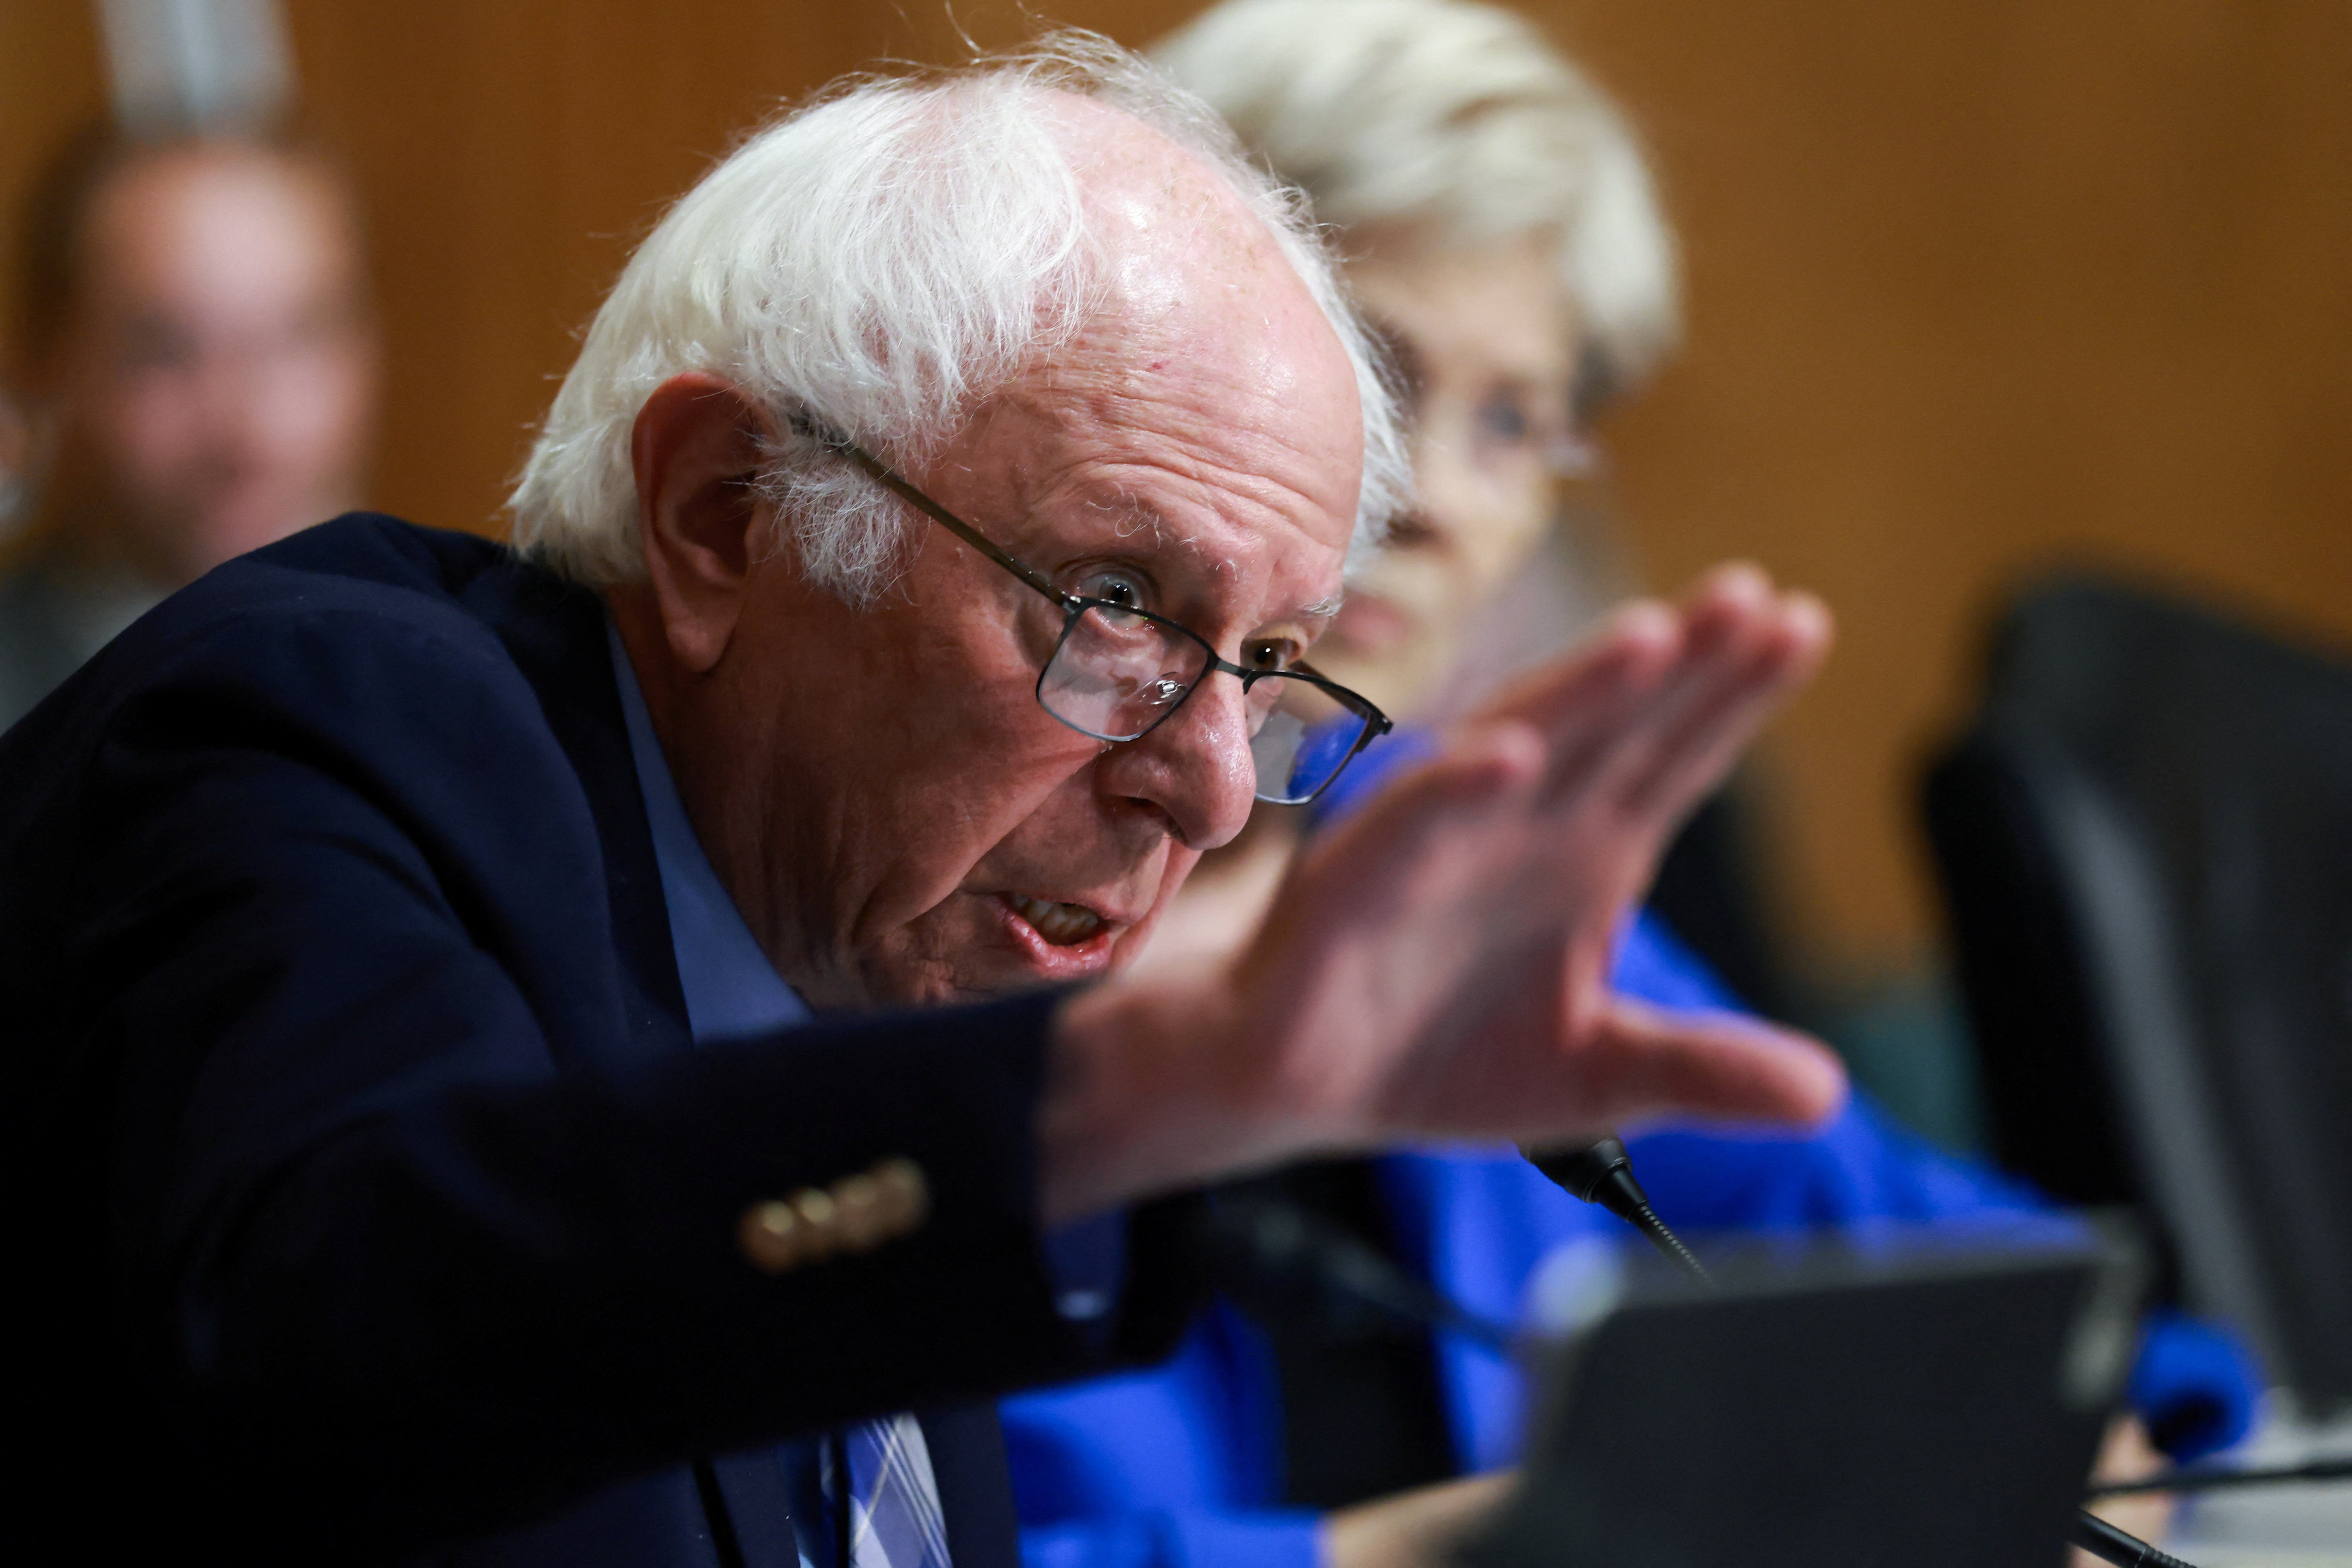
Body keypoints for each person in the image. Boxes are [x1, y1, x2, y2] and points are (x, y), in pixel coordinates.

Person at [0, 35, 1840, 1568]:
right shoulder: (311, 734)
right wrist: (1150, 1090)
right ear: (724, 514)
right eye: (1119, 613)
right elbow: (358, 1336)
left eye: (1270, 666)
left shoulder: (873, 953)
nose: (1208, 789)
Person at [997, 6, 2256, 1566]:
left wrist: (2069, 1441)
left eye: (1514, 419)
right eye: (1369, 372)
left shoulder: (1449, 864)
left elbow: (2025, 1297)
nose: (1440, 498)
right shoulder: (922, 900)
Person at [0, 119, 377, 731]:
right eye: (167, 352)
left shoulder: (481, 696)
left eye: (297, 340)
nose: (247, 437)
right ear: (44, 367)